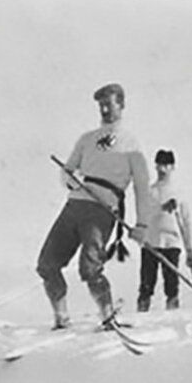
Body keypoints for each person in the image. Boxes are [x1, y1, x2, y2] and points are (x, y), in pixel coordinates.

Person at [37, 83, 150, 330]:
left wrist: (142, 224)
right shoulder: (86, 139)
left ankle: (108, 317)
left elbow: (142, 186)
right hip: (74, 205)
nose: (105, 109)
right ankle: (61, 319)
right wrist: (71, 179)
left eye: (109, 104)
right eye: (101, 105)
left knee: (90, 269)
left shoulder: (131, 143)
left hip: (102, 210)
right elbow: (67, 171)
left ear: (121, 104)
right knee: (47, 264)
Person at [135, 149, 192, 312]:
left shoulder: (179, 192)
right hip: (151, 242)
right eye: (159, 165)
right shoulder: (150, 191)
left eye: (166, 165)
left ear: (172, 167)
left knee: (171, 283)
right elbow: (144, 213)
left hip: (172, 243)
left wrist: (189, 249)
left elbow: (186, 221)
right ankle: (142, 312)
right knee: (147, 283)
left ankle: (172, 314)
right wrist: (161, 208)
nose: (162, 169)